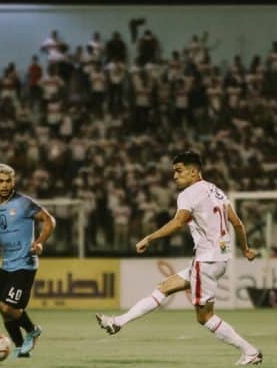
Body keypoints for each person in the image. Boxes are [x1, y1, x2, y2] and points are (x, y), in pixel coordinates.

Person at [96, 151, 263, 366]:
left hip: (206, 261)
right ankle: (118, 322)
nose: (175, 176)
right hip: (219, 258)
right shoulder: (217, 191)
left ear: (193, 172)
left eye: (179, 171)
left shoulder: (189, 193)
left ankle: (249, 351)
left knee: (205, 318)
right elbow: (237, 223)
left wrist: (149, 238)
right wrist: (246, 249)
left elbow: (178, 222)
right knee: (164, 287)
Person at [0, 163, 55, 357]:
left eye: (8, 181)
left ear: (13, 182)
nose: (5, 185)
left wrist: (39, 242)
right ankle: (21, 348)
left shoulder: (24, 203)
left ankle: (32, 329)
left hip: (25, 264)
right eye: (1, 181)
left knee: (9, 307)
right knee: (2, 308)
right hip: (6, 265)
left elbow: (50, 220)